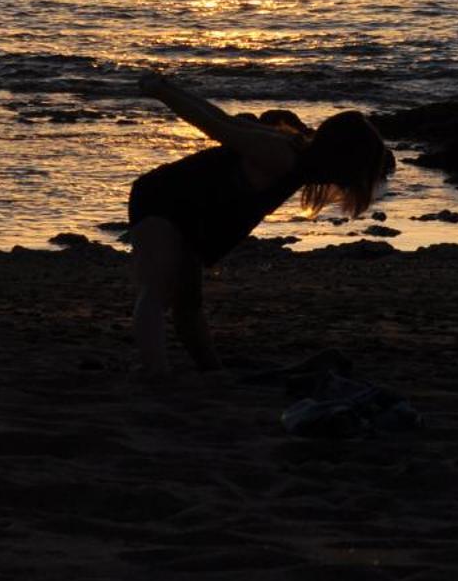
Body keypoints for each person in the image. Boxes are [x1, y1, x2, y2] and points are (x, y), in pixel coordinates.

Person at [126, 72, 393, 376]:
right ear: (344, 158)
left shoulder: (297, 155)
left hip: (196, 212)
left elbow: (223, 118)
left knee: (188, 300)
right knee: (157, 289)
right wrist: (164, 93)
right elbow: (216, 125)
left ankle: (210, 370)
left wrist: (170, 87)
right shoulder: (281, 154)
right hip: (165, 198)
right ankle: (155, 373)